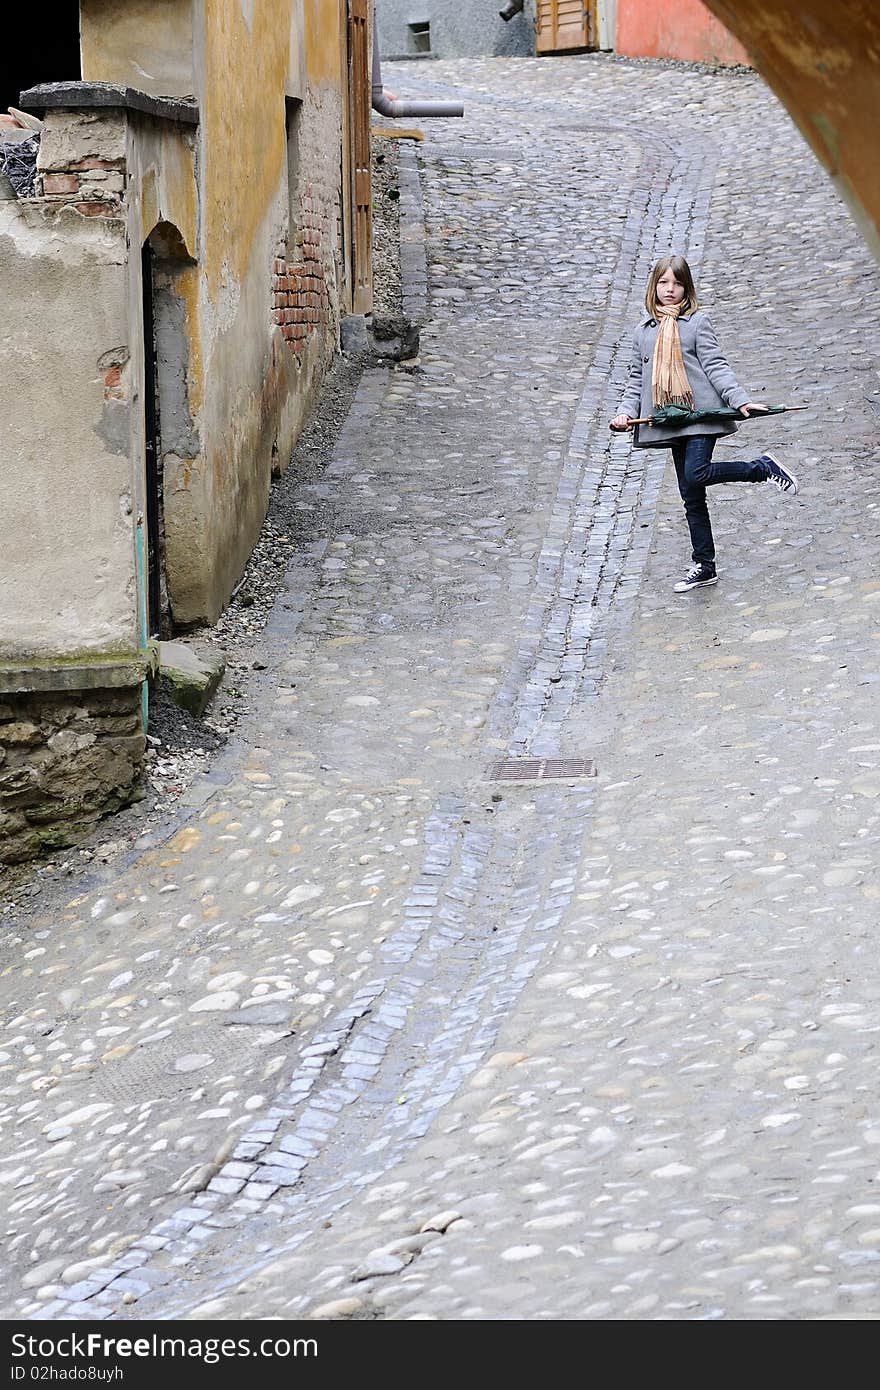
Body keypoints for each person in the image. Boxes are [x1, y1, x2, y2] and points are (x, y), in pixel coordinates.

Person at [610, 254, 798, 592]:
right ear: (654, 286)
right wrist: (624, 412)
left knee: (696, 473)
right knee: (691, 495)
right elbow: (635, 380)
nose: (670, 289)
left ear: (687, 287)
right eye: (664, 283)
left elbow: (716, 366)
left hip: (700, 417)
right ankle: (704, 565)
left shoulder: (697, 323)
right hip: (667, 420)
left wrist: (739, 400)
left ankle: (762, 468)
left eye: (677, 283)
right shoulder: (643, 332)